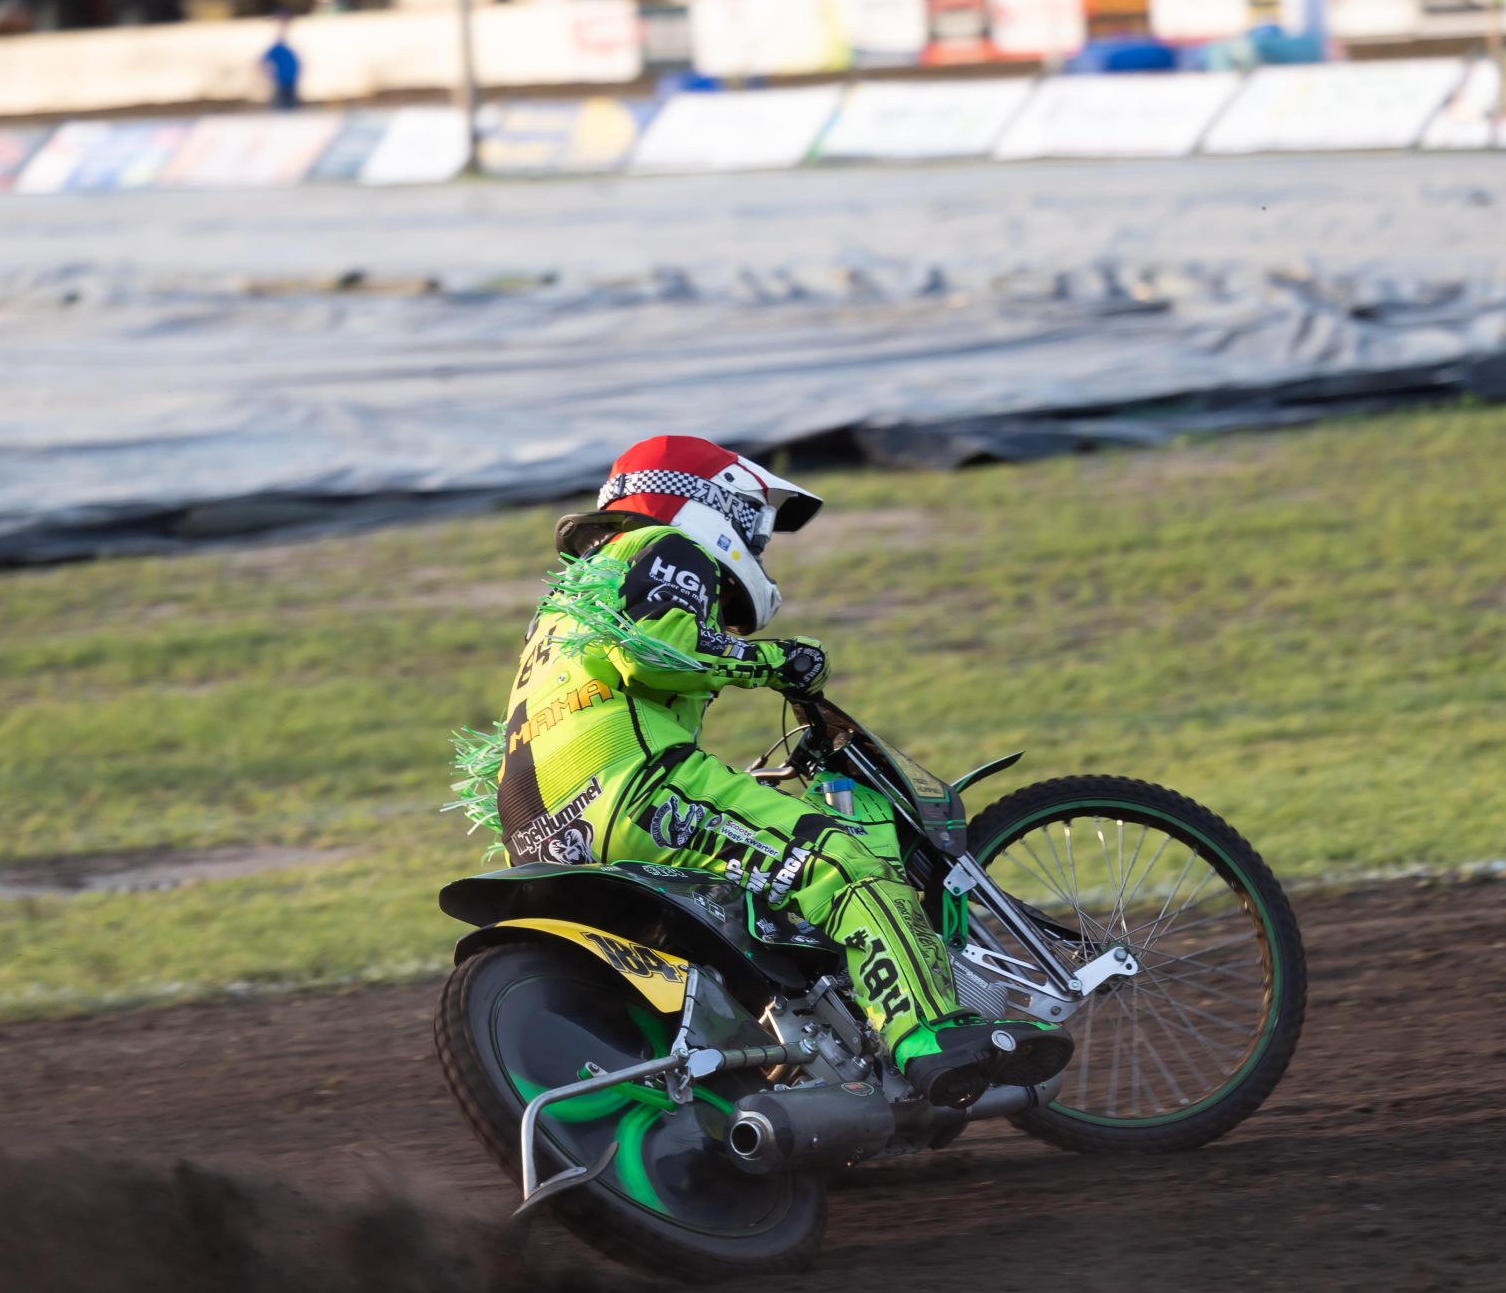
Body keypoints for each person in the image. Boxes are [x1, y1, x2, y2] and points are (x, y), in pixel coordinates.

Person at [460, 436, 1073, 1110]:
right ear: (706, 506)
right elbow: (658, 653)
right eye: (755, 526)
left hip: (545, 834)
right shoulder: (665, 546)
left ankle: (799, 1078)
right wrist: (781, 661)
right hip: (635, 792)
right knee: (836, 862)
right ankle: (928, 1036)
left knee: (751, 924)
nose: (758, 548)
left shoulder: (560, 609)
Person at [260, 16, 302, 112]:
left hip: (288, 78)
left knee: (288, 101)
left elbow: (263, 61)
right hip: (283, 78)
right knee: (284, 101)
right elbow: (263, 60)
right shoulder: (277, 48)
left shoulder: (285, 49)